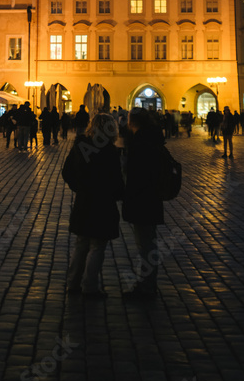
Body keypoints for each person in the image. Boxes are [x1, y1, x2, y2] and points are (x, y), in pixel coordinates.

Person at [62, 112, 125, 298]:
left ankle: (73, 284)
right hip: (103, 203)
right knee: (97, 246)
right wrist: (118, 195)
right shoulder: (110, 151)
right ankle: (90, 287)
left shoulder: (80, 145)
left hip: (84, 201)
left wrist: (79, 187)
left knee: (81, 243)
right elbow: (116, 180)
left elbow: (67, 172)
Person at [121, 107, 166, 301]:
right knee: (149, 242)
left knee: (145, 244)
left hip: (142, 200)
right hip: (152, 199)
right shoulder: (154, 139)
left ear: (133, 122)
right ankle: (148, 282)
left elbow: (135, 174)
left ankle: (147, 286)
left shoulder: (140, 142)